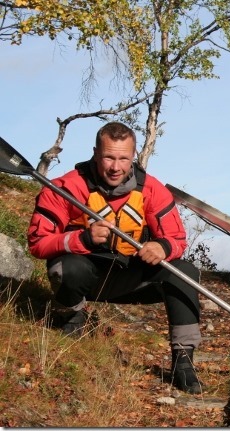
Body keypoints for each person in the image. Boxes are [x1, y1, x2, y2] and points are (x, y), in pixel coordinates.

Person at [27, 121, 203, 394]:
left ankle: (183, 361)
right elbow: (38, 243)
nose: (115, 167)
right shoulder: (65, 188)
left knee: (185, 272)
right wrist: (81, 239)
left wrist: (162, 248)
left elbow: (177, 239)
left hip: (130, 278)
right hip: (87, 277)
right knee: (69, 268)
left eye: (123, 158)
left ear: (133, 156)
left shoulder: (152, 190)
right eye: (109, 157)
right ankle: (72, 318)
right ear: (96, 153)